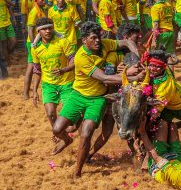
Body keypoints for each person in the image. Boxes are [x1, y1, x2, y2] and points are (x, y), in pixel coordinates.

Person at [52, 21, 144, 178]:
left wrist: (138, 58)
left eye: (99, 37)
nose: (97, 41)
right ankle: (67, 140)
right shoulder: (82, 57)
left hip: (98, 98)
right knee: (57, 129)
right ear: (84, 40)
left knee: (87, 133)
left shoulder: (105, 45)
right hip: (78, 95)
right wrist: (132, 76)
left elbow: (128, 42)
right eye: (93, 38)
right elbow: (105, 78)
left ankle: (77, 171)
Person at [88, 23, 142, 160]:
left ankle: (138, 155)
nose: (138, 40)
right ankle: (88, 155)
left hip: (132, 97)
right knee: (108, 132)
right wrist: (125, 72)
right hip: (115, 99)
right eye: (135, 38)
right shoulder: (113, 56)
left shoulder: (138, 53)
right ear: (126, 38)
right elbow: (108, 78)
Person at [32, 18, 76, 142]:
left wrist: (64, 69)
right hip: (48, 84)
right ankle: (59, 134)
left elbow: (74, 60)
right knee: (51, 113)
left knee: (72, 120)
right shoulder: (35, 48)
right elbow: (37, 71)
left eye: (49, 28)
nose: (47, 31)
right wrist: (35, 91)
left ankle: (63, 130)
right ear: (38, 32)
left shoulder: (62, 41)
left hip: (66, 82)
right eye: (44, 29)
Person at [141, 49, 181, 143]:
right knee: (165, 122)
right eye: (151, 65)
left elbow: (154, 112)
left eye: (157, 66)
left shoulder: (164, 89)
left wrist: (143, 131)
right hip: (167, 103)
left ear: (163, 67)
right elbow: (169, 61)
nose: (153, 69)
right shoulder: (162, 70)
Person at [23, 0, 46, 99]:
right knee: (31, 67)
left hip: (37, 42)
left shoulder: (40, 10)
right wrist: (34, 44)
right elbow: (30, 29)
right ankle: (25, 94)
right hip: (32, 43)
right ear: (36, 1)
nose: (44, 1)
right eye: (41, 0)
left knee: (34, 67)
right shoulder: (33, 12)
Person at [0, 0, 17, 79]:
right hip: (0, 27)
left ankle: (7, 56)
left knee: (14, 42)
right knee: (3, 45)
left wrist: (13, 17)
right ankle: (7, 60)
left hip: (8, 24)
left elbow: (12, 5)